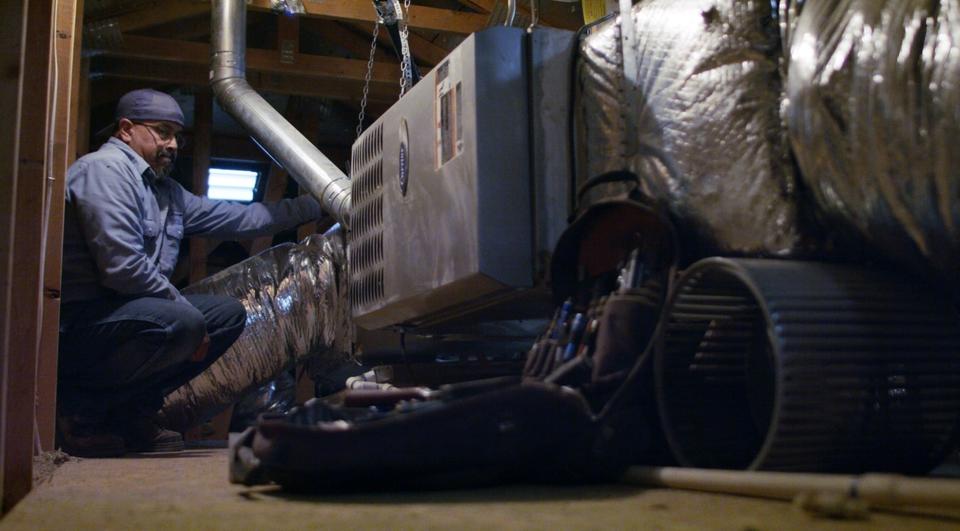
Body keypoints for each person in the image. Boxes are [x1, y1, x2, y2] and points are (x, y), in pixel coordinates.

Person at [58, 88, 325, 457]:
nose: (173, 144)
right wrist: (182, 309)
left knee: (226, 315)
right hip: (81, 328)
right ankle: (80, 414)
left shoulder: (167, 193)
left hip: (125, 318)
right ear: (125, 129)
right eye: (162, 132)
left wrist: (325, 199)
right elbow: (122, 270)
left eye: (177, 136)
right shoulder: (104, 172)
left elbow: (244, 218)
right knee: (183, 321)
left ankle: (131, 414)